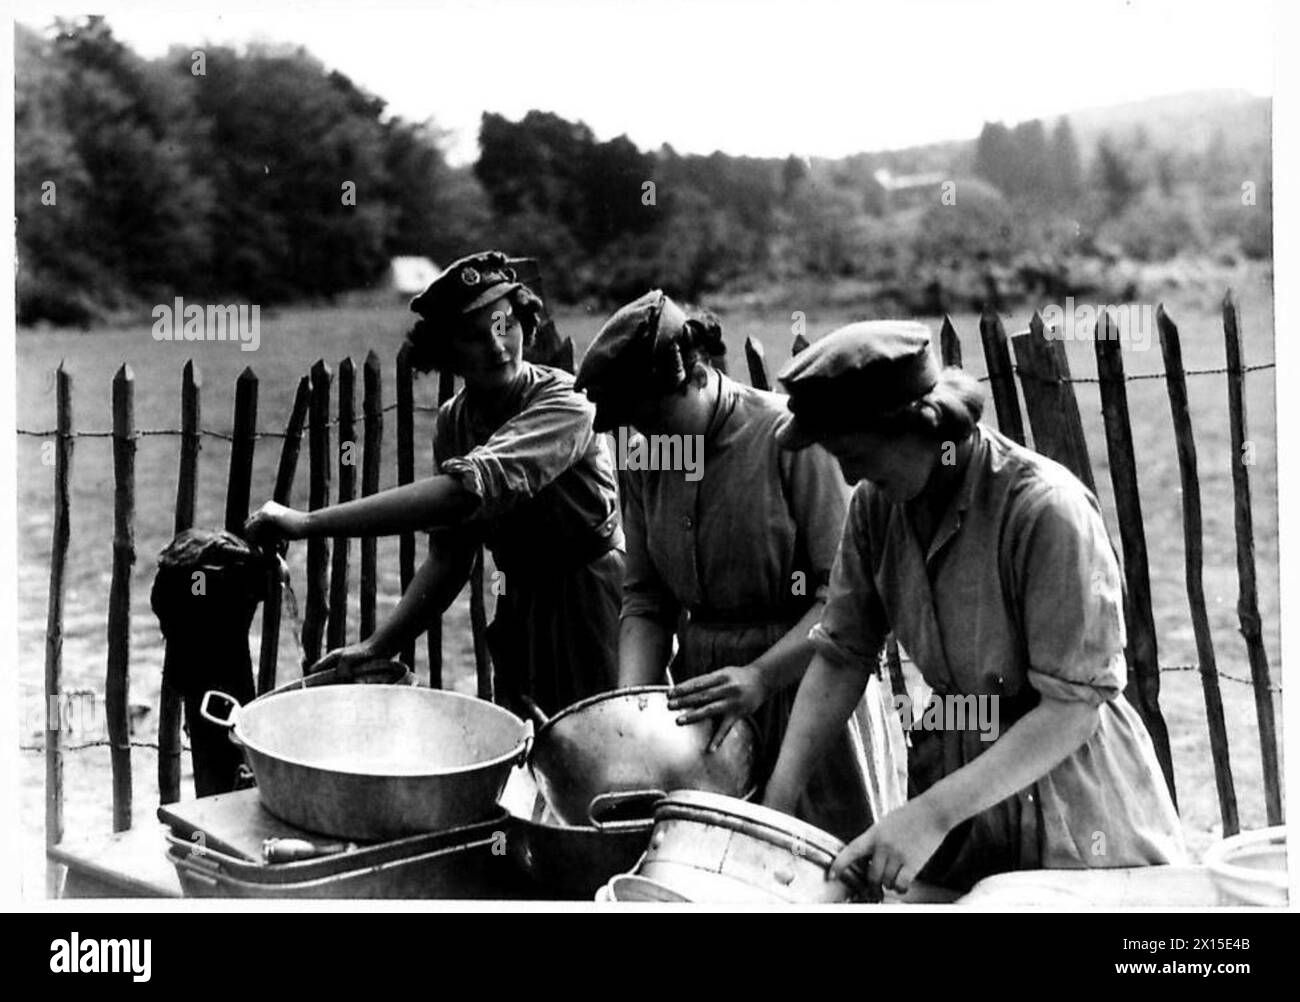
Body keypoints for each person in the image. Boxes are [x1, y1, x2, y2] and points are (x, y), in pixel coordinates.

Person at [762, 320, 1188, 896]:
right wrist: (773, 814)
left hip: (1068, 801)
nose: (849, 475)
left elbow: (1071, 708)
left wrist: (931, 815)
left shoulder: (1044, 511)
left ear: (924, 427)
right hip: (960, 786)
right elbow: (842, 655)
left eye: (857, 453)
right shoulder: (876, 507)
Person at [574, 291, 906, 842]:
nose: (649, 439)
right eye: (637, 427)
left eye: (657, 419)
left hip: (810, 684)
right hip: (710, 706)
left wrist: (761, 677)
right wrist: (631, 713)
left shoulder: (790, 441)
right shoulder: (647, 458)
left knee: (822, 864)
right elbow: (647, 599)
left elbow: (844, 602)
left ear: (698, 375)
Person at [244, 251, 624, 717]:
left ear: (525, 321)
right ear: (446, 351)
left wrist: (307, 522)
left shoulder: (566, 401)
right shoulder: (455, 421)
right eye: (473, 335)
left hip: (592, 601)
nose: (498, 346)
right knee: (532, 752)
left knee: (611, 742)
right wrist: (378, 645)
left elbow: (465, 492)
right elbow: (450, 555)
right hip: (521, 605)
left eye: (506, 325)